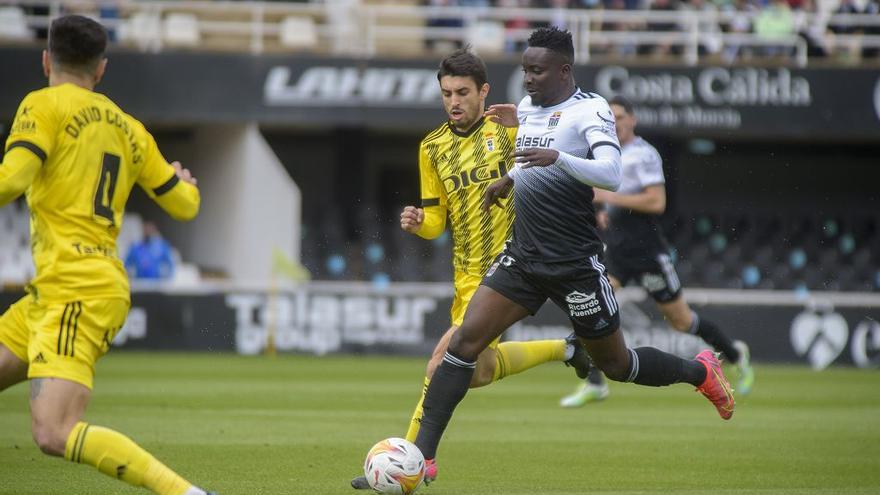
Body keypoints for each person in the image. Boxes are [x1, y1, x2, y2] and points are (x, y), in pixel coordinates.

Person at [411, 26, 736, 484]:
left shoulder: (591, 109)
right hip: (523, 258)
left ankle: (700, 372)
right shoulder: (526, 109)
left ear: (564, 70)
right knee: (463, 345)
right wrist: (510, 179)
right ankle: (422, 456)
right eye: (525, 69)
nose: (527, 79)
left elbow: (611, 173)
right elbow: (530, 163)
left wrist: (557, 159)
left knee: (616, 365)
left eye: (537, 70)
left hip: (574, 265)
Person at [350, 47, 592, 490]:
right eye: (446, 94)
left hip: (510, 265)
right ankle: (567, 349)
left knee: (440, 363)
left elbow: (560, 166)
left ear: (484, 92)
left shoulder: (510, 132)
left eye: (463, 92)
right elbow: (437, 218)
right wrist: (422, 224)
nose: (454, 102)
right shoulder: (432, 147)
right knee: (476, 370)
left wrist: (525, 130)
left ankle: (411, 459)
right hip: (465, 274)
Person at [0, 15, 215, 495]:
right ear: (101, 70)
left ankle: (187, 494)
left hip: (76, 290)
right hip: (60, 290)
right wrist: (185, 183)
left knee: (53, 432)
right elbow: (185, 205)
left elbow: (11, 180)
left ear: (45, 59)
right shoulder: (128, 126)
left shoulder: (42, 105)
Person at [559, 96, 755, 408]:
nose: (615, 123)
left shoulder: (644, 153)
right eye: (610, 118)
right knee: (591, 305)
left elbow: (656, 202)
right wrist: (604, 211)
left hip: (647, 253)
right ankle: (595, 383)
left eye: (621, 116)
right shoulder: (604, 155)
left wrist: (611, 196)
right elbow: (611, 200)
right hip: (618, 253)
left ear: (632, 120)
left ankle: (734, 354)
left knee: (682, 322)